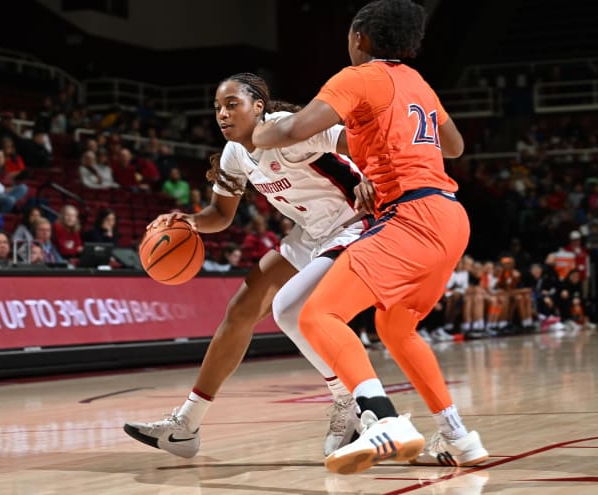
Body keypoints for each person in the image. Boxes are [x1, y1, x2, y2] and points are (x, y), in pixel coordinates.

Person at [252, 0, 488, 474]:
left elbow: (296, 127)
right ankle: (460, 437)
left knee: (317, 315)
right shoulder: (417, 82)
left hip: (411, 217)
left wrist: (258, 135)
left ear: (360, 37)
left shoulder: (356, 77)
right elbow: (455, 145)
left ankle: (383, 421)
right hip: (449, 217)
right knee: (396, 329)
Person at [124, 72, 369, 459]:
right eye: (217, 107)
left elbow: (361, 140)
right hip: (311, 232)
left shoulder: (289, 131)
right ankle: (186, 426)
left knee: (290, 310)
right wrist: (186, 220)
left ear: (259, 106)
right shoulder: (235, 154)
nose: (222, 114)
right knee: (240, 310)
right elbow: (220, 215)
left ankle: (350, 402)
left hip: (356, 223)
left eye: (232, 104)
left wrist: (373, 178)